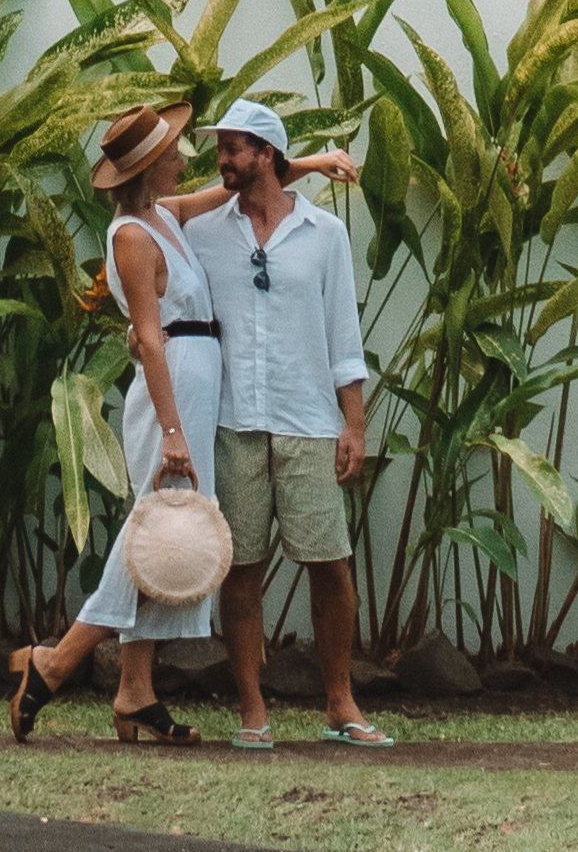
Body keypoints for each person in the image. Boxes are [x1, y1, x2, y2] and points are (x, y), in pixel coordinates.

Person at [7, 103, 361, 749]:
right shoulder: (132, 236)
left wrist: (309, 161)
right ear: (149, 165)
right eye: (172, 151)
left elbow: (239, 182)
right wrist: (171, 429)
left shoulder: (162, 215)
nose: (183, 157)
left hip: (198, 384)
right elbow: (146, 335)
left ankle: (135, 689)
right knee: (151, 528)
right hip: (172, 390)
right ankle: (55, 661)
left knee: (169, 528)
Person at [186, 94, 392, 750]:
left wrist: (353, 424)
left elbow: (344, 334)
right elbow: (147, 217)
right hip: (232, 419)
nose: (220, 159)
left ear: (263, 154)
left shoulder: (323, 234)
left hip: (307, 419)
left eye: (231, 148)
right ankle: (252, 708)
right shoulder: (204, 228)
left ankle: (339, 700)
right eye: (219, 147)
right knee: (240, 568)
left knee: (330, 563)